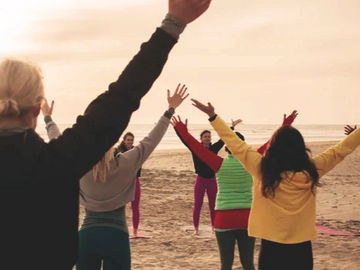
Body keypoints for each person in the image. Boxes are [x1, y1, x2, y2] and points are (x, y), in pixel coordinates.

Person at [0, 1, 212, 268]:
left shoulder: (59, 156)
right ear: (35, 107)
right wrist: (173, 24)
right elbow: (122, 96)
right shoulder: (60, 159)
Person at [190, 99, 360, 270]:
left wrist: (212, 116)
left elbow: (236, 145)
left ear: (274, 147)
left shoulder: (262, 169)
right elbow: (340, 150)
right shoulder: (312, 170)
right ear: (301, 148)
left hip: (271, 247)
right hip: (302, 247)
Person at [43, 86, 189, 270]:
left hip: (87, 237)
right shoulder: (126, 162)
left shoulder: (79, 163)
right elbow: (152, 140)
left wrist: (47, 118)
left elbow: (57, 140)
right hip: (116, 236)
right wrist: (170, 110)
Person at [171, 111, 297, 270]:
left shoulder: (218, 163)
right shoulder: (252, 161)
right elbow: (271, 143)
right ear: (243, 147)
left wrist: (182, 130)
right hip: (246, 218)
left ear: (226, 148)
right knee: (248, 264)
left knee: (226, 265)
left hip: (223, 219)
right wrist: (286, 124)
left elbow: (197, 148)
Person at [174, 118, 242, 235]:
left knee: (213, 205)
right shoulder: (196, 148)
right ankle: (196, 229)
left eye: (209, 136)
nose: (207, 138)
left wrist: (231, 127)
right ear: (201, 139)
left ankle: (213, 227)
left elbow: (223, 139)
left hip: (212, 180)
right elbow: (185, 141)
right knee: (198, 205)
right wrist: (178, 129)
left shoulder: (214, 148)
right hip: (200, 180)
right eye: (205, 136)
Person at [116, 132, 144, 238]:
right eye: (128, 140)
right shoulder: (118, 152)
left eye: (131, 140)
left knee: (135, 206)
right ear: (124, 140)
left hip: (135, 180)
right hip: (122, 182)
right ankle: (119, 229)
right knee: (120, 207)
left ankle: (135, 231)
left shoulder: (135, 151)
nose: (130, 142)